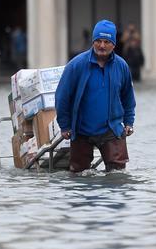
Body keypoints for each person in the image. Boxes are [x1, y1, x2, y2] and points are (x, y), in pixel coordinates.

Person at [55, 19, 136, 173]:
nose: (102, 45)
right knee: (79, 174)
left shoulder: (122, 66)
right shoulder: (76, 65)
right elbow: (62, 97)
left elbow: (128, 98)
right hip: (81, 130)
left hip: (111, 129)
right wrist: (64, 125)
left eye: (107, 41)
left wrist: (129, 122)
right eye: (98, 41)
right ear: (93, 41)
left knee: (118, 175)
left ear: (114, 44)